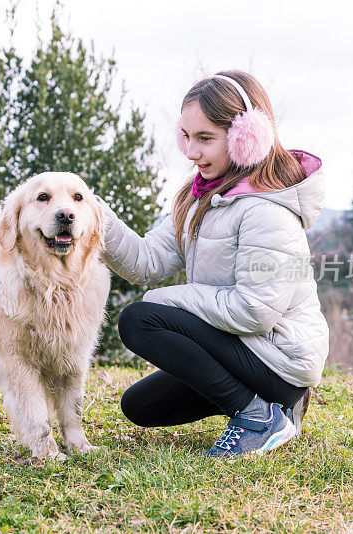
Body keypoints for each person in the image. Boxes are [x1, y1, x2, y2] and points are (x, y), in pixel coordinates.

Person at [97, 70, 328, 458]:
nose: (191, 152)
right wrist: (92, 215)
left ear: (246, 138)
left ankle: (259, 415)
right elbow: (145, 262)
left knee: (139, 319)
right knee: (140, 407)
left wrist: (171, 299)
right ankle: (277, 409)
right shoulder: (197, 197)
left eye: (205, 138)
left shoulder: (267, 212)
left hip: (280, 358)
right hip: (244, 346)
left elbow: (255, 312)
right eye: (186, 136)